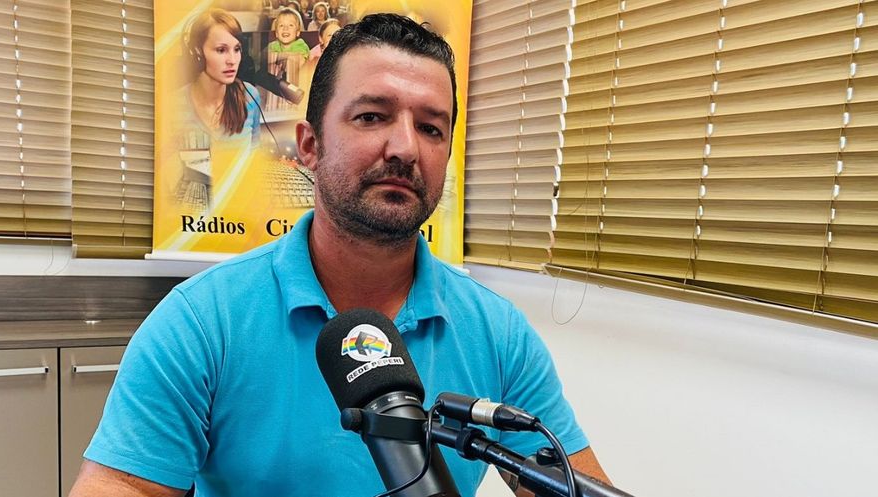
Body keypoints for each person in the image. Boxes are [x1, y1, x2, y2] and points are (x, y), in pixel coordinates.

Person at [69, 13, 609, 497]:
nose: (405, 148)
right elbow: (122, 485)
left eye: (431, 128)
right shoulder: (201, 322)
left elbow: (571, 483)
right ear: (309, 145)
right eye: (371, 116)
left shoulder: (498, 333)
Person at [180, 9, 260, 147]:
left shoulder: (250, 96)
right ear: (198, 51)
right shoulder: (173, 104)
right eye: (221, 50)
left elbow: (255, 152)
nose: (232, 60)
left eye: (237, 49)